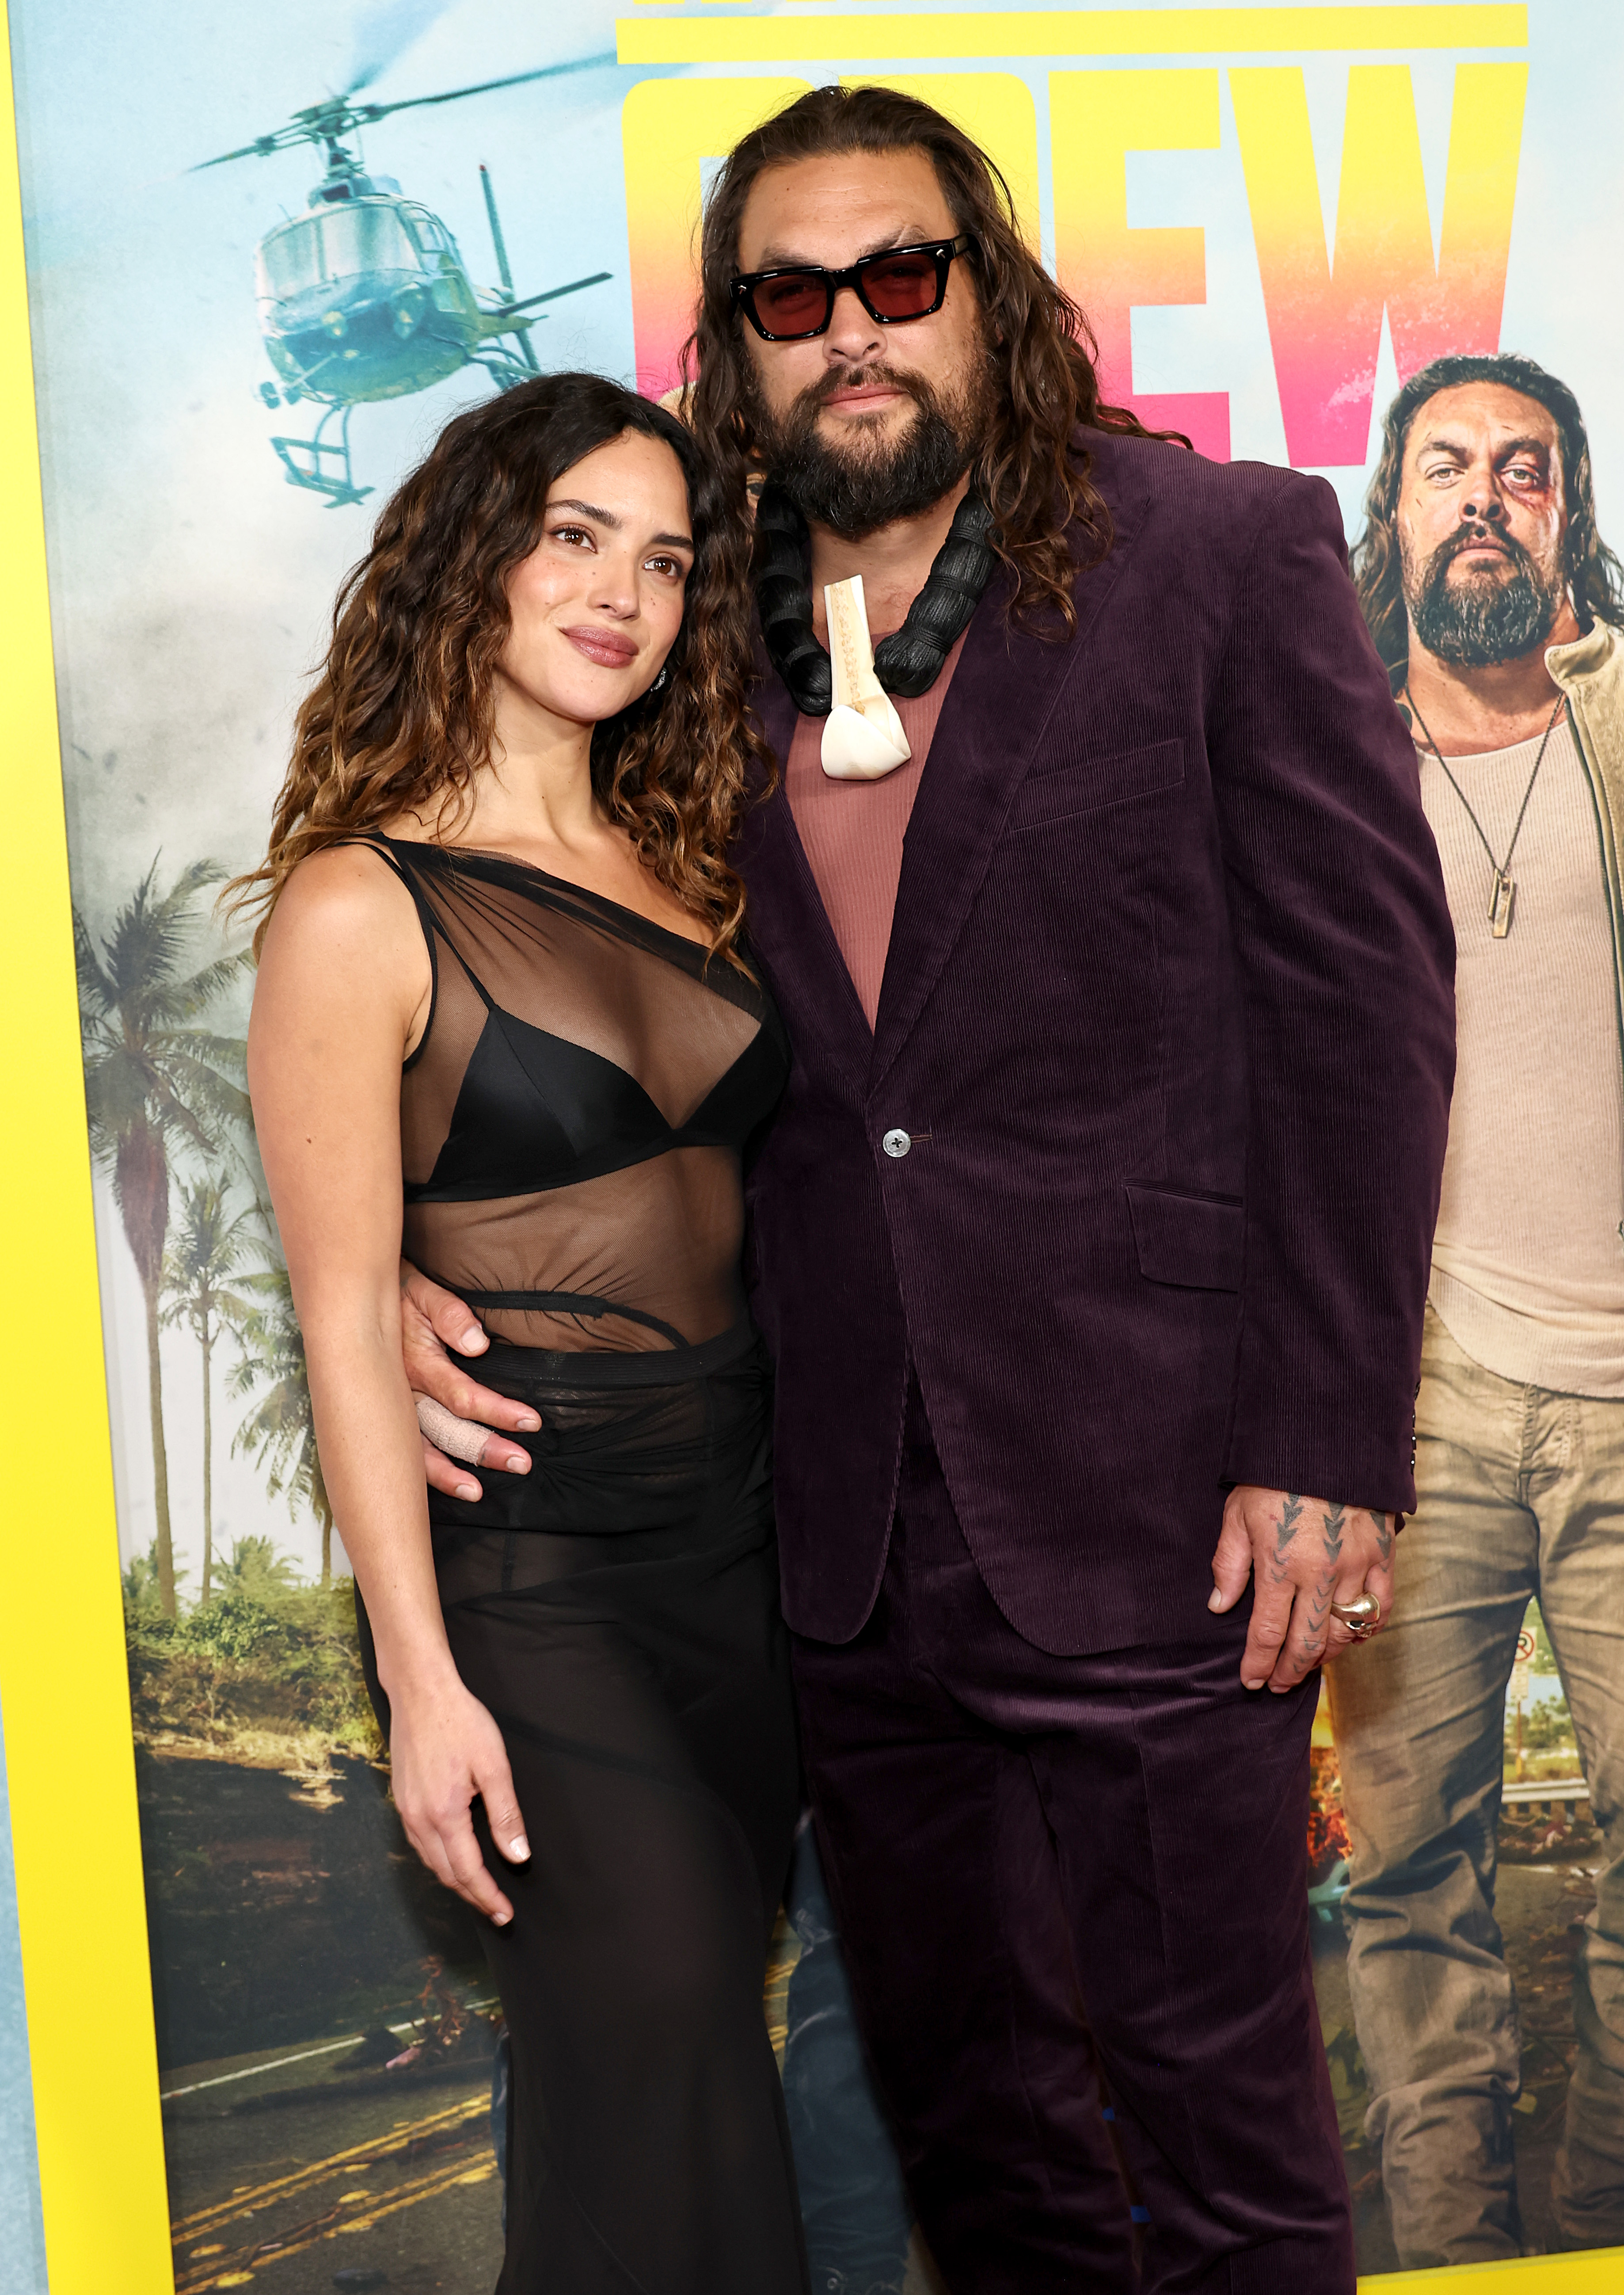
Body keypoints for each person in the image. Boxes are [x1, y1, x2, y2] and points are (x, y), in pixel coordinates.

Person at [402, 87, 1457, 2293]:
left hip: (1170, 1508)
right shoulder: (683, 634)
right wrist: (408, 1257)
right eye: (793, 295)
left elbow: (1364, 1014)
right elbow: (500, 937)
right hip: (845, 1546)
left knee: (1229, 2136)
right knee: (979, 2149)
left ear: (986, 292)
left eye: (903, 274)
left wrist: (1329, 1442)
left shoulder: (1217, 550)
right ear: (742, 347)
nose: (852, 330)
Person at [240, 371, 809, 2295]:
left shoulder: (704, 869)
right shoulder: (355, 901)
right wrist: (421, 1677)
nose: (619, 592)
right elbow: (340, 1314)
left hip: (736, 1550)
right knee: (661, 2029)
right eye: (573, 535)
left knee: (654, 2076)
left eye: (662, 559)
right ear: (473, 553)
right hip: (527, 1560)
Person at [1332, 351, 1624, 2266]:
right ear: (1393, 506)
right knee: (1404, 1874)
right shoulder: (1315, 753)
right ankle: (1450, 2255)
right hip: (1404, 1397)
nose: (1484, 499)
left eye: (1525, 469)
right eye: (1447, 466)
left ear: (1570, 507)